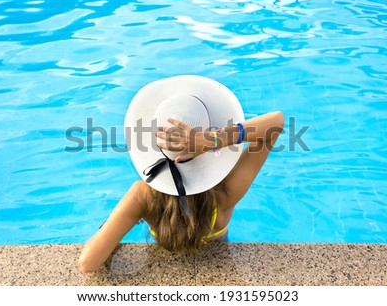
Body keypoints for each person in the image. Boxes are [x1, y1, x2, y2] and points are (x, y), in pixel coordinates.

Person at [79, 75, 284, 273]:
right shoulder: (224, 193)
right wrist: (213, 141)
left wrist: (122, 218)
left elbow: (87, 263)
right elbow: (276, 122)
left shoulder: (143, 196)